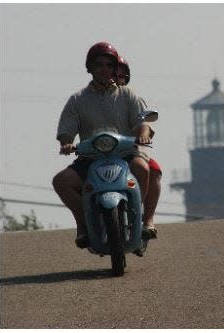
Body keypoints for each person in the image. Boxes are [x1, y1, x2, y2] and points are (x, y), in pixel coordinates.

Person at [52, 41, 154, 248]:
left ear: (115, 68)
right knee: (61, 181)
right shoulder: (77, 99)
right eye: (99, 65)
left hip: (125, 154)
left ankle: (138, 217)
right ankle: (83, 224)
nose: (104, 69)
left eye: (109, 65)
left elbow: (143, 123)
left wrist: (143, 135)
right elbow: (66, 131)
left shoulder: (128, 95)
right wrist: (67, 144)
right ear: (90, 68)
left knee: (142, 168)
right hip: (90, 158)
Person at [116, 55, 160, 239]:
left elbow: (146, 124)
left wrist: (143, 135)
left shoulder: (132, 98)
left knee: (153, 170)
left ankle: (147, 219)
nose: (115, 78)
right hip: (101, 152)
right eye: (113, 73)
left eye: (120, 75)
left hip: (131, 150)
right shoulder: (91, 98)